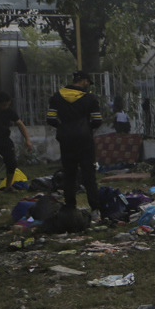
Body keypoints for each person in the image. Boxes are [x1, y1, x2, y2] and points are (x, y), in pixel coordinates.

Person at [46, 71, 102, 217]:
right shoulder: (90, 98)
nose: (88, 85)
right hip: (84, 140)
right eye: (88, 83)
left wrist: (64, 127)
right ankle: (95, 208)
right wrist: (86, 128)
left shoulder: (57, 96)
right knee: (89, 175)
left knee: (69, 174)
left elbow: (51, 119)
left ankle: (70, 207)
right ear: (84, 81)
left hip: (66, 140)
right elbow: (97, 120)